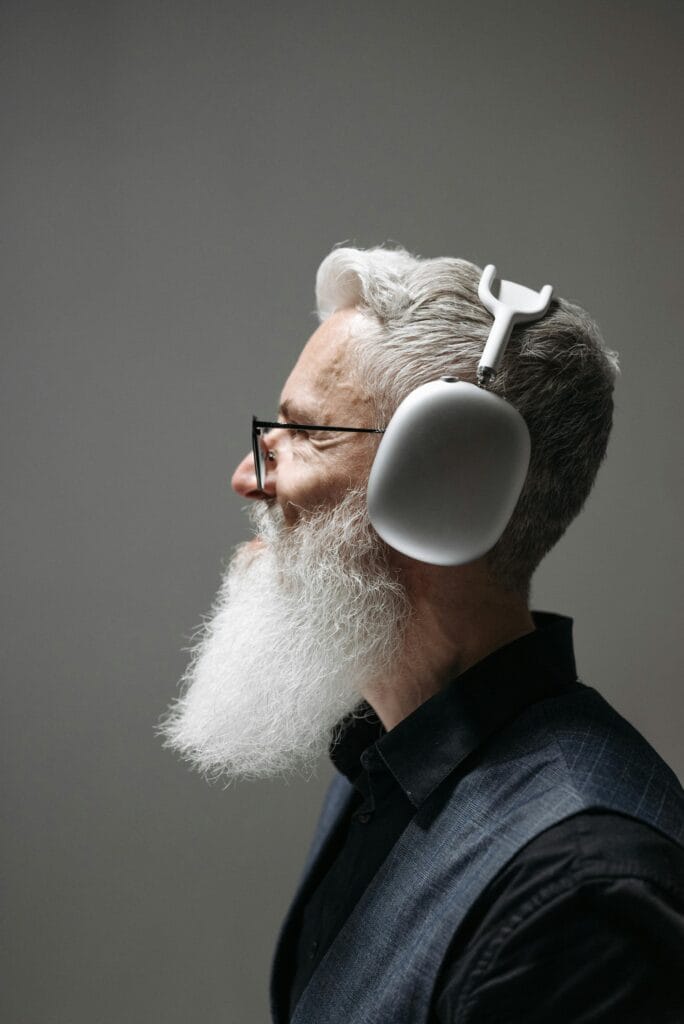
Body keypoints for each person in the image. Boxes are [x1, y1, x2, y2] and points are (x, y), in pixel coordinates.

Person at [160, 246, 684, 1023]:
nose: (249, 475)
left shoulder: (584, 902)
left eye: (303, 433)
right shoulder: (384, 761)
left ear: (440, 482)